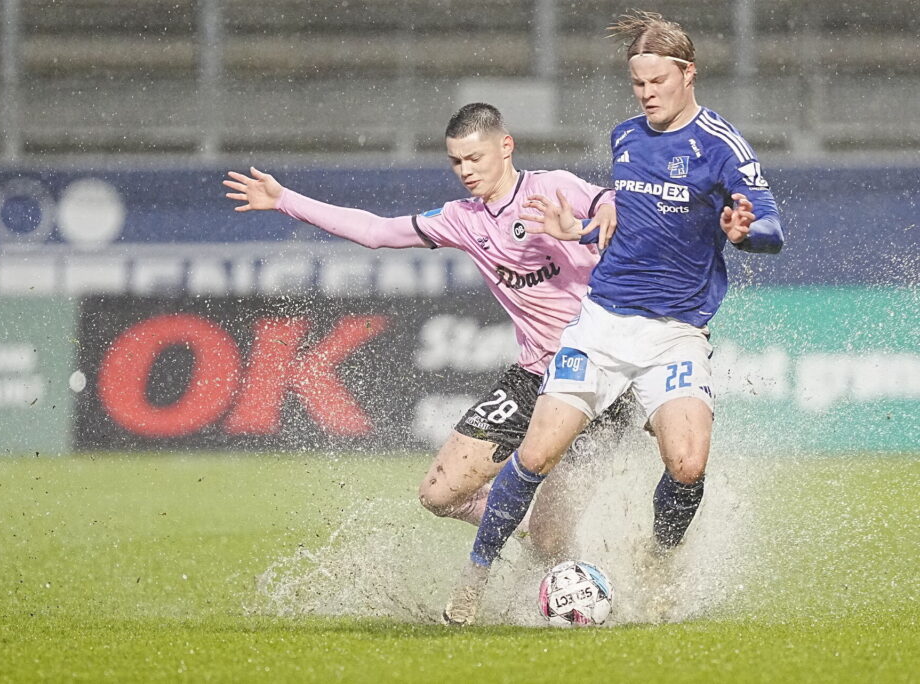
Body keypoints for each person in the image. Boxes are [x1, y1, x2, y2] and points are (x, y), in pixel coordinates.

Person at [442, 12, 784, 625]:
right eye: (637, 83)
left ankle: (659, 561)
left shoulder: (722, 146)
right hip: (600, 324)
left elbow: (771, 228)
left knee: (686, 463)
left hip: (676, 334)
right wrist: (579, 232)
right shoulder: (624, 137)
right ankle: (473, 582)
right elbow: (627, 222)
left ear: (688, 73)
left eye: (656, 81)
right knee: (535, 456)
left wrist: (745, 231)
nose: (646, 93)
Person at [223, 103, 637, 560]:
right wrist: (285, 200)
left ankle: (583, 570)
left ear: (506, 146)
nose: (465, 171)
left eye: (475, 159)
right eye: (456, 162)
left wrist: (583, 227)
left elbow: (615, 204)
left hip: (599, 377)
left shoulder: (552, 187)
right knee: (439, 495)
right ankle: (520, 522)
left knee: (552, 541)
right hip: (535, 376)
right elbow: (377, 231)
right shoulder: (464, 218)